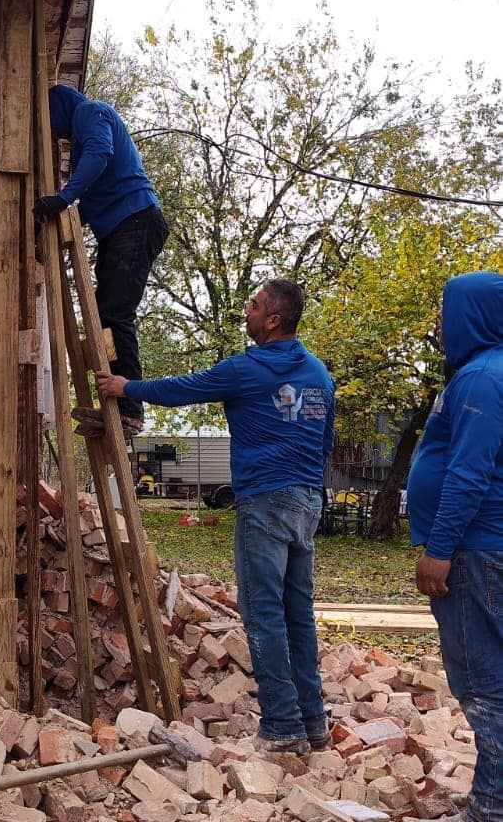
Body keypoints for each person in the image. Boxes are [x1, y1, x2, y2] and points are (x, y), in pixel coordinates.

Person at [96, 280, 335, 757]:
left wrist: (127, 386)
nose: (247, 311)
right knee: (297, 615)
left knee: (264, 615)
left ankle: (283, 726)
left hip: (265, 502)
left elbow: (185, 389)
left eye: (254, 305)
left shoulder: (248, 369)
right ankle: (313, 723)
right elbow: (325, 440)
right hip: (307, 500)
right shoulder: (318, 373)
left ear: (272, 320)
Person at [406, 270, 503, 822]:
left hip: (472, 551)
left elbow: (469, 473)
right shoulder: (481, 375)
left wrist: (439, 549)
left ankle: (490, 813)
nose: (440, 325)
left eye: (447, 312)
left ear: (474, 315)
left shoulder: (482, 380)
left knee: (484, 683)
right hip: (484, 546)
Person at [33, 83, 169, 436]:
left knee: (116, 313)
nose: (54, 130)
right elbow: (91, 199)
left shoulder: (90, 112)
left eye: (49, 119)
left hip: (137, 221)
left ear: (56, 106)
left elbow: (100, 152)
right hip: (121, 227)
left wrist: (63, 198)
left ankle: (130, 409)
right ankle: (114, 401)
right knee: (104, 316)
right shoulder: (80, 142)